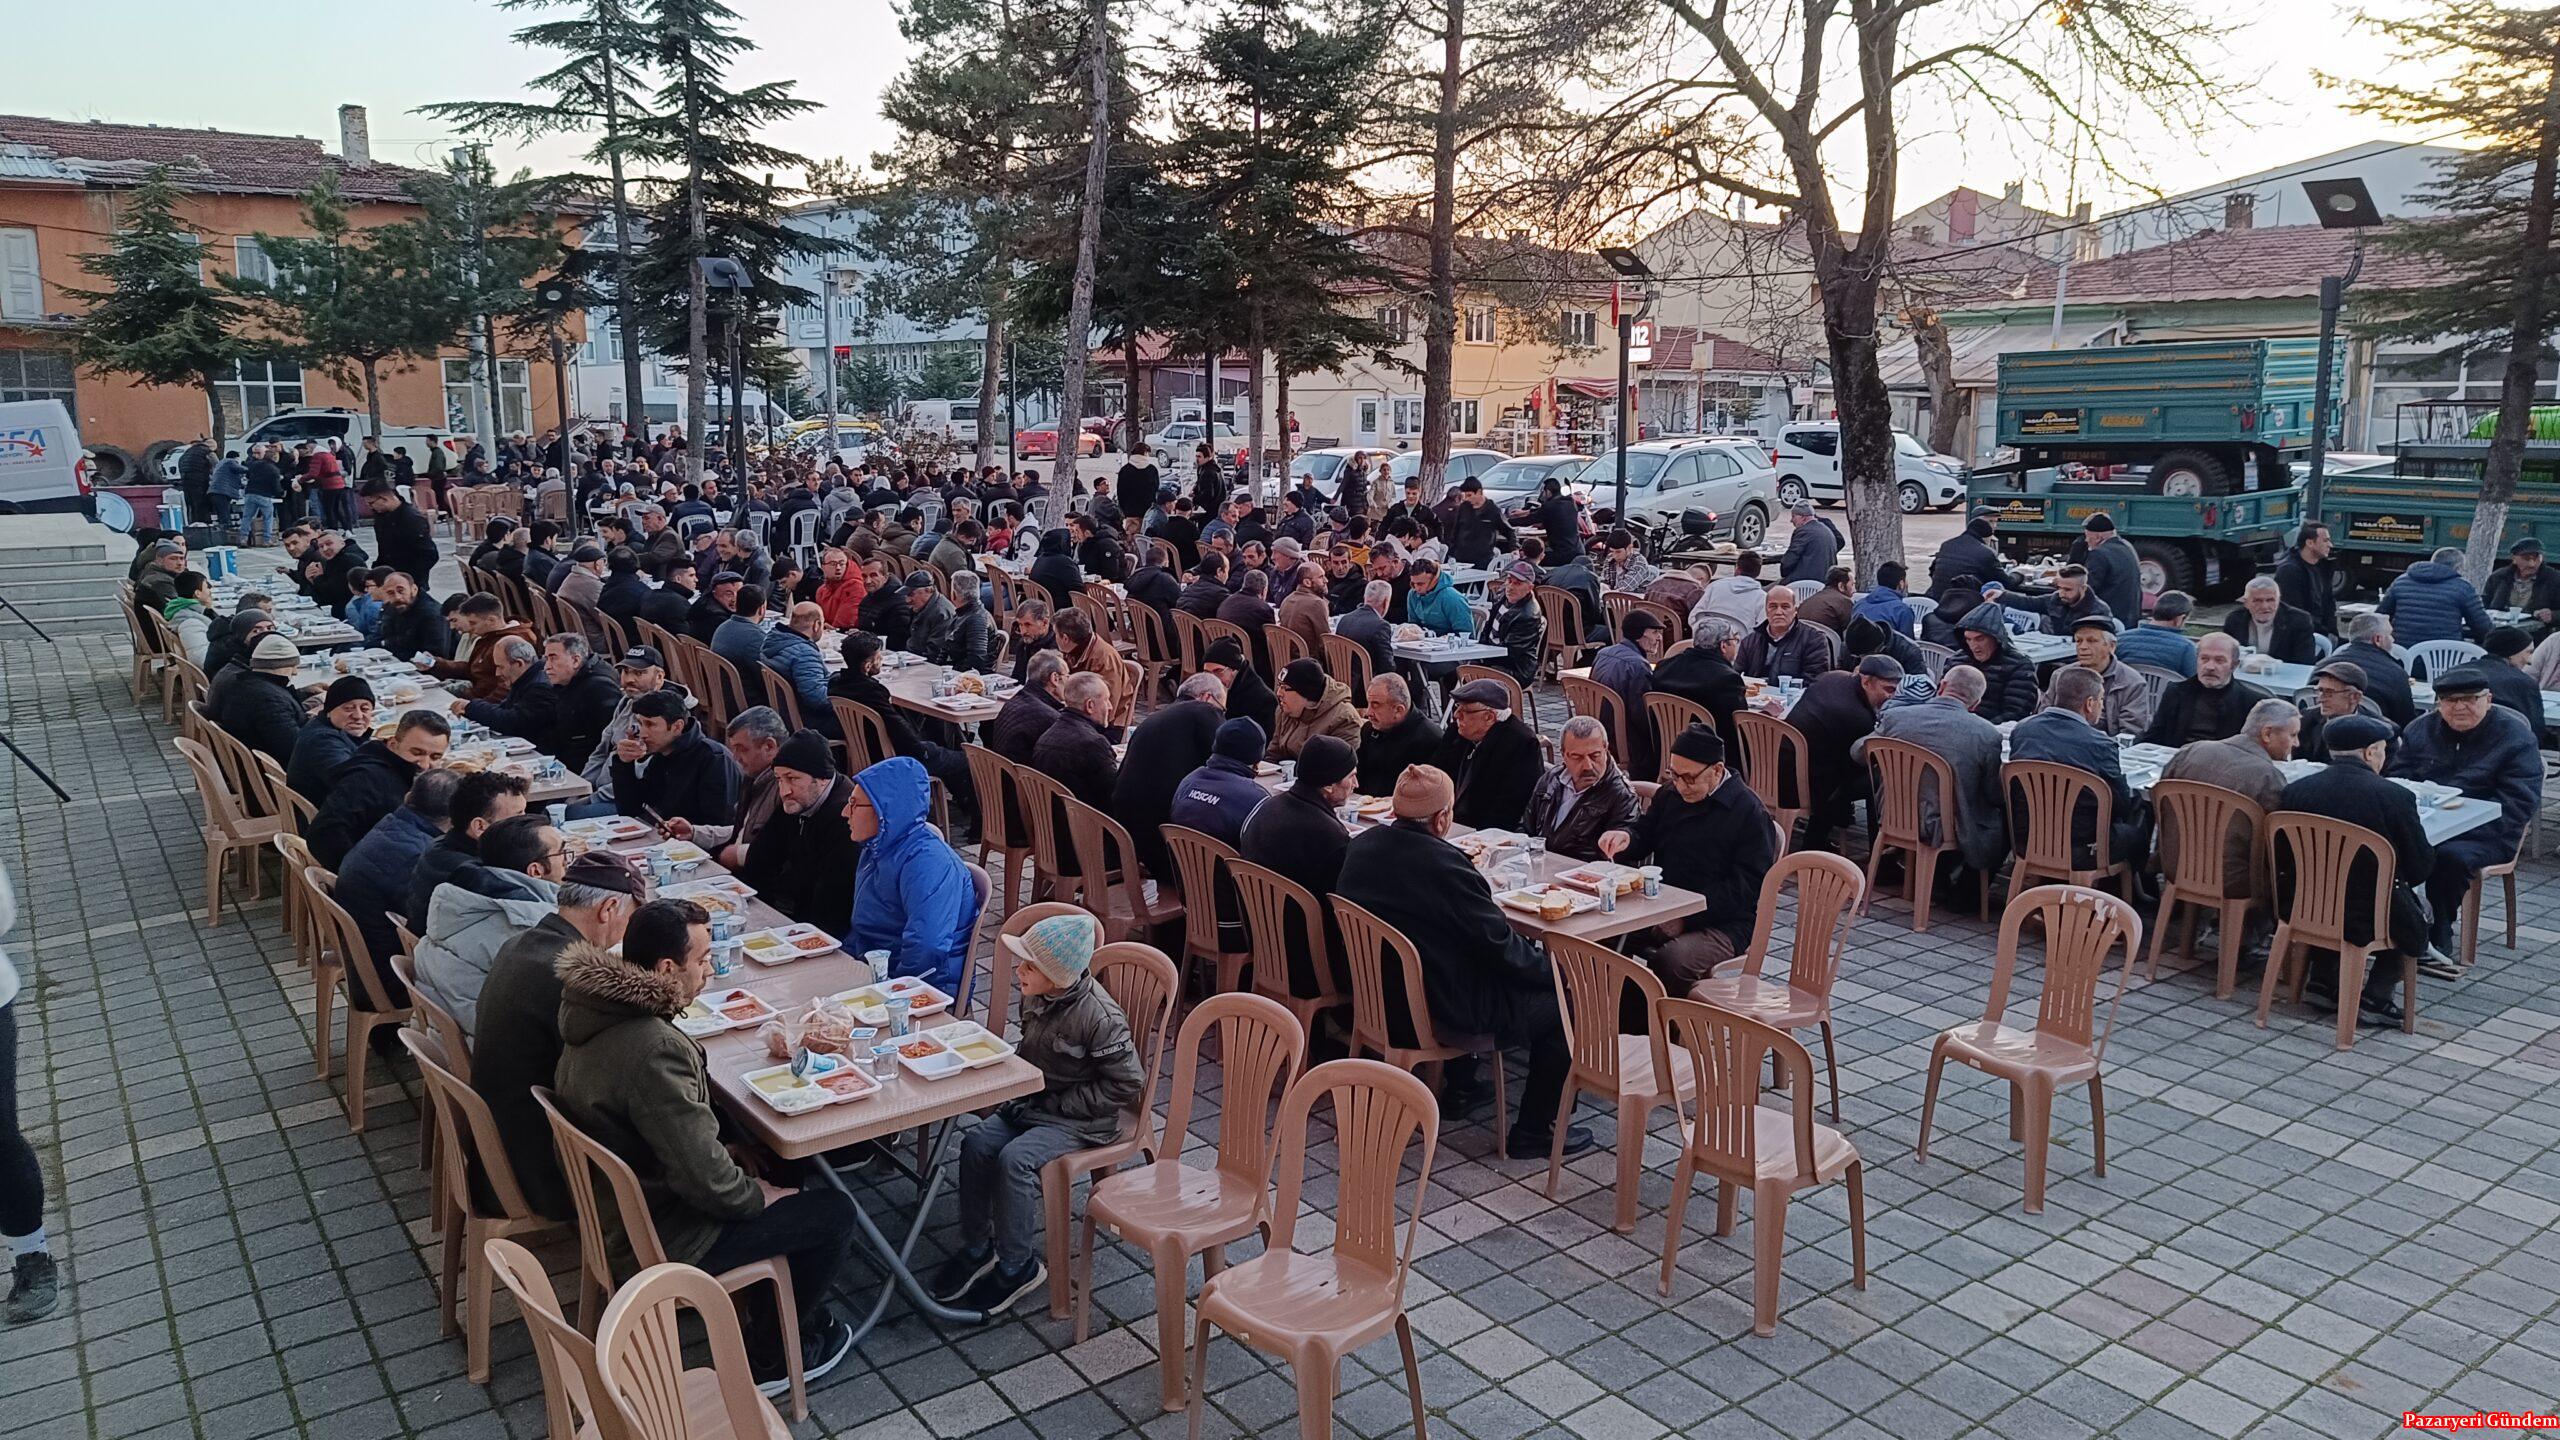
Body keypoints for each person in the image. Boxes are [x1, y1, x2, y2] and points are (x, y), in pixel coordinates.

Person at [554, 899, 858, 1385]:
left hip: (622, 1209)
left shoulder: (593, 1008)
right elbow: (709, 1182)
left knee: (773, 1159)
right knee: (834, 1213)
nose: (710, 970)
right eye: (703, 960)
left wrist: (727, 1154)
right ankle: (771, 1357)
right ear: (667, 968)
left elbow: (672, 1135)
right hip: (662, 1236)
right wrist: (759, 1198)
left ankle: (770, 1306)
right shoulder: (654, 1049)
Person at [1339, 767, 1591, 1160]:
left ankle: (1463, 1085)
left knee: (1482, 965)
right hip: (1441, 1004)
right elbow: (1500, 946)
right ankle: (1533, 1131)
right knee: (1562, 1004)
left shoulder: (1361, 847)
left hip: (1380, 992)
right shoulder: (1446, 865)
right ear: (1442, 818)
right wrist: (1557, 973)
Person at [930, 912, 1142, 1316]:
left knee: (1015, 1160)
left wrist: (1062, 1104)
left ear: (1057, 975)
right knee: (975, 1142)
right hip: (1034, 1103)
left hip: (1079, 1119)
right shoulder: (1037, 994)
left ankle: (1017, 1265)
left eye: (1029, 964)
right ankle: (977, 1246)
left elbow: (1127, 1083)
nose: (1019, 970)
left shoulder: (1099, 1018)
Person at [472, 850, 641, 1218]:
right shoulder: (571, 976)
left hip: (503, 1144)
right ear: (608, 909)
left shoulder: (522, 943)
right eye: (631, 919)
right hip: (542, 1169)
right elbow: (618, 1078)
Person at [2278, 714, 2430, 1021]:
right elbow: (2419, 867)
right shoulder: (2394, 797)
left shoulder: (2297, 790)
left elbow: (2282, 853)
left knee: (2335, 890)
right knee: (2417, 911)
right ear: (2371, 751)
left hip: (2299, 905)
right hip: (2365, 915)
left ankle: (2322, 981)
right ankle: (2375, 997)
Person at [2392, 667, 2543, 967]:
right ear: (2438, 703)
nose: (2459, 707)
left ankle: (2440, 931)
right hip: (2425, 822)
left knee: (2449, 857)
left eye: (2469, 699)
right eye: (2449, 700)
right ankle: (2398, 924)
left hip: (2489, 831)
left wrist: (2463, 823)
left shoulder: (2515, 738)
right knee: (2387, 848)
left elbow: (2518, 802)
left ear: (2488, 699)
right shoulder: (2420, 729)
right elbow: (2397, 775)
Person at [414, 813, 565, 1039]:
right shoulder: (530, 927)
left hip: (451, 1039)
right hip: (498, 1055)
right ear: (536, 871)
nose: (568, 862)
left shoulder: (462, 896)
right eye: (563, 854)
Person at [846, 756, 983, 994]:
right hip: (875, 970)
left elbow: (926, 949)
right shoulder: (875, 847)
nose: (845, 812)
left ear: (885, 812)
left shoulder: (929, 863)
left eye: (855, 804)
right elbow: (864, 927)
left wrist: (890, 991)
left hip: (923, 988)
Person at [330, 769, 462, 1007]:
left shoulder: (394, 825)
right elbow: (432, 927)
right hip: (392, 977)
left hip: (369, 961)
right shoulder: (416, 854)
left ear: (409, 797)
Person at [2159, 697, 2299, 920]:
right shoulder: (2268, 777)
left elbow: (2161, 803)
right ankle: (2249, 941)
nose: (2296, 743)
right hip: (2233, 879)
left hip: (2177, 864)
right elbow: (2277, 839)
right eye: (2292, 735)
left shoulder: (2191, 751)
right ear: (2267, 734)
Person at [2010, 664, 2151, 871]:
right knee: (2139, 818)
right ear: (2090, 704)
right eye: (2101, 700)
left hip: (2028, 836)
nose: (2101, 706)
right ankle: (2135, 895)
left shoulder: (2023, 730)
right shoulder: (2100, 744)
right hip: (2082, 847)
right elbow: (2119, 804)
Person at [756, 732, 860, 938]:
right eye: (779, 779)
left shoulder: (845, 817)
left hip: (827, 931)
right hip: (794, 914)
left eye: (792, 779)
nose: (784, 790)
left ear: (822, 779)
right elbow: (759, 860)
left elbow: (833, 901)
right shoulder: (797, 800)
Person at [404, 770, 535, 933]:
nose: (528, 824)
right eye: (517, 818)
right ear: (480, 826)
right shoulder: (472, 872)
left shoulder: (440, 845)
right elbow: (537, 908)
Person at [660, 706, 787, 868]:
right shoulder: (753, 779)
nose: (735, 757)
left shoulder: (784, 787)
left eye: (742, 749)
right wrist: (694, 833)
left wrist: (739, 855)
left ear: (769, 747)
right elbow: (742, 832)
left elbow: (778, 849)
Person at [1240, 734, 1358, 907]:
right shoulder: (1331, 836)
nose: (1356, 783)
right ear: (1328, 785)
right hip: (1302, 928)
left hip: (1255, 919)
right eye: (1351, 776)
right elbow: (1339, 902)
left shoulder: (1266, 806)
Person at [580, 646, 694, 806]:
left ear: (659, 677)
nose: (629, 679)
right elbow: (601, 752)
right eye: (626, 672)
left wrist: (589, 800)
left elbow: (642, 776)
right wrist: (583, 787)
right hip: (599, 792)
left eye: (639, 673)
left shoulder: (667, 717)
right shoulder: (626, 701)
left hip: (629, 802)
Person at [611, 689, 742, 827]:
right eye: (640, 723)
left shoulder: (714, 759)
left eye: (650, 724)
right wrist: (624, 764)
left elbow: (720, 827)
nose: (642, 733)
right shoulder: (662, 753)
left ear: (677, 726)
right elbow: (631, 810)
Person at [1522, 717, 1643, 862]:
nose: (1588, 766)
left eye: (1594, 756)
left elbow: (1623, 854)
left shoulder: (1621, 794)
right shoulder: (1550, 779)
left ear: (1606, 748)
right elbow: (1526, 828)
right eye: (1577, 757)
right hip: (1540, 868)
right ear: (1564, 755)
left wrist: (1622, 838)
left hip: (1585, 877)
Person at [1431, 678, 1541, 830]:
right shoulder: (1457, 732)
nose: (1456, 715)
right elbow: (1435, 775)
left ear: (1489, 717)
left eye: (1465, 711)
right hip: (1446, 822)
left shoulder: (1521, 743)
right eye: (1457, 707)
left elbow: (1510, 807)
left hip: (1483, 832)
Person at [2138, 633, 2264, 748]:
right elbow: (2154, 737)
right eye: (2204, 659)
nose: (2210, 667)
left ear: (2234, 665)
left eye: (2219, 660)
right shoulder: (2176, 692)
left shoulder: (2251, 702)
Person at [2041, 615, 2153, 737]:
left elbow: (2131, 732)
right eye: (2078, 641)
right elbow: (2044, 716)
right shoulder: (2061, 675)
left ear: (2111, 646)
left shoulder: (2132, 682)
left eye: (2092, 641)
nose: (2083, 647)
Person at [214, 634, 314, 769]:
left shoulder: (246, 685)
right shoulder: (268, 701)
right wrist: (321, 721)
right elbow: (294, 748)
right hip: (272, 774)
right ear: (280, 665)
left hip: (255, 763)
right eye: (293, 666)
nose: (295, 673)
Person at [1170, 717, 1271, 847]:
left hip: (1182, 864)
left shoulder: (1189, 780)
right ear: (1257, 761)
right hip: (1228, 866)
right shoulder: (1256, 799)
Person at [1034, 671, 1121, 817]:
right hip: (1085, 830)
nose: (1111, 707)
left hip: (1049, 826)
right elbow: (1114, 795)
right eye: (1106, 700)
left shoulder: (1047, 734)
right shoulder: (1093, 744)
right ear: (1090, 705)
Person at [286, 675, 377, 805]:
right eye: (348, 708)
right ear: (329, 711)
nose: (358, 716)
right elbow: (353, 783)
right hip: (331, 818)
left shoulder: (322, 725)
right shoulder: (323, 741)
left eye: (365, 709)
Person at [2379, 546, 2495, 645]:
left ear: (2432, 561)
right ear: (2459, 567)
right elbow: (2482, 627)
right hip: (2444, 653)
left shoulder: (2401, 581)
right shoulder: (2463, 587)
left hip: (2401, 651)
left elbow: (2380, 616)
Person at [542, 633, 624, 772]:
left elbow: (610, 741)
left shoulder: (600, 688)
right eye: (546, 659)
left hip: (587, 771)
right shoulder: (564, 682)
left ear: (575, 660)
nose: (546, 667)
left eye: (553, 658)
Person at [762, 602, 841, 739]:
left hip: (785, 713)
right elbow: (817, 699)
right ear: (816, 625)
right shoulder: (805, 654)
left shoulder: (773, 640)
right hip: (806, 721)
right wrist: (844, 694)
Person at [1590, 610, 1662, 762]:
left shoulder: (1604, 653)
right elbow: (1642, 717)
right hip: (1622, 738)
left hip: (1598, 727)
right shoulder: (1638, 665)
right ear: (1639, 635)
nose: (1659, 638)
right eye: (1655, 632)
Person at [1950, 602, 2038, 723]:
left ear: (1995, 638)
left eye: (1980, 639)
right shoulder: (1957, 660)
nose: (1974, 646)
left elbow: (2015, 713)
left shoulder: (2019, 666)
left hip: (1992, 729)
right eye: (1968, 639)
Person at [458, 637, 558, 743]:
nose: (497, 673)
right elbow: (504, 708)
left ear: (519, 664)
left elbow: (512, 722)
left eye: (500, 667)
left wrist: (471, 707)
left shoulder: (540, 686)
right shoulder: (526, 679)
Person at [420, 591, 520, 696]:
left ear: (491, 620)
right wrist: (435, 663)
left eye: (473, 623)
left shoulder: (511, 643)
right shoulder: (487, 637)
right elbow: (471, 669)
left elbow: (504, 691)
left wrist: (471, 706)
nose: (471, 627)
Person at [1355, 673, 1441, 797]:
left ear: (1398, 710)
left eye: (1375, 705)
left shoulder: (1429, 739)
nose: (1368, 713)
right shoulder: (1368, 730)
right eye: (1368, 704)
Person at [1052, 607, 1134, 734]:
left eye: (1055, 634)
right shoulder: (1072, 651)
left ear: (1065, 638)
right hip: (1080, 715)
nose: (1054, 638)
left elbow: (1107, 707)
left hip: (1108, 725)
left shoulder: (1104, 659)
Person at [2294, 657, 2391, 760]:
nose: (2320, 699)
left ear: (2354, 697)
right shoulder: (2304, 721)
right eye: (2320, 691)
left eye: (2329, 693)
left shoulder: (2381, 732)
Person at [1736, 584, 1838, 680]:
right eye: (1773, 606)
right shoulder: (1750, 642)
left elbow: (1815, 681)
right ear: (1766, 610)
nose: (1779, 612)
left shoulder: (1815, 640)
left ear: (1795, 611)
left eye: (1785, 607)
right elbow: (1736, 676)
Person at [1268, 658, 1361, 760]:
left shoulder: (1343, 719)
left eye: (1285, 688)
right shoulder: (1284, 710)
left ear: (1305, 692)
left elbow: (1337, 767)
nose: (1279, 693)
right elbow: (1273, 753)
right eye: (1279, 686)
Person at [989, 648, 1069, 766]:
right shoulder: (1050, 718)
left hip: (998, 774)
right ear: (1055, 679)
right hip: (1021, 781)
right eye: (1067, 675)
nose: (1069, 681)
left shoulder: (1016, 700)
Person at [2339, 612, 2418, 728]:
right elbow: (2406, 723)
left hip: (2324, 738)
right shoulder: (2395, 674)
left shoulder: (2322, 667)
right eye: (2390, 635)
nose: (2393, 640)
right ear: (2377, 639)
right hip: (2376, 739)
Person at [2477, 627, 2552, 745]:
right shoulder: (2523, 683)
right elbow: (2535, 730)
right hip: (2507, 753)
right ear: (2511, 653)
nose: (2530, 661)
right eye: (2529, 652)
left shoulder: (2455, 674)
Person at [2220, 576, 2319, 664]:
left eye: (2270, 600)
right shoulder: (2234, 620)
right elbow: (2225, 657)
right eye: (2257, 601)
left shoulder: (2299, 620)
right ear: (2246, 603)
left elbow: (2305, 663)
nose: (2264, 606)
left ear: (2279, 600)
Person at [1480, 562, 1548, 686]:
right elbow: (1486, 630)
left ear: (1530, 588)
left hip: (1516, 669)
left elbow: (1510, 652)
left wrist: (1481, 655)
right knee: (1456, 668)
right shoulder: (1502, 598)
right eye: (1509, 581)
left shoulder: (1528, 615)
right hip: (1492, 657)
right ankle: (1457, 704)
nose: (1510, 587)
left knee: (1474, 672)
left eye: (1517, 583)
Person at [360, 481, 440, 583]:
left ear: (384, 498)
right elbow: (384, 549)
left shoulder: (411, 519)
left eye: (371, 503)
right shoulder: (381, 516)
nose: (370, 508)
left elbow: (429, 555)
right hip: (388, 576)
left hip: (410, 580)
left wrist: (407, 578)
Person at [2274, 520, 2341, 637]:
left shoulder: (2324, 567)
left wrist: (2332, 632)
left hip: (2323, 632)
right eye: (2325, 541)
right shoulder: (2289, 571)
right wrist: (2323, 633)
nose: (2330, 545)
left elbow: (2329, 603)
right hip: (2300, 635)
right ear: (2310, 543)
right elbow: (2294, 611)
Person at [2073, 513, 2143, 622]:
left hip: (2107, 618)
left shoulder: (2099, 554)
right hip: (2130, 617)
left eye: (2087, 537)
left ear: (2098, 537)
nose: (2086, 541)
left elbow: (2087, 589)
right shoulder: (2128, 547)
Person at [1201, 637, 1277, 738]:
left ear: (1234, 670)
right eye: (1207, 673)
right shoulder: (1209, 689)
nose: (1212, 679)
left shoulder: (1262, 700)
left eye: (1218, 672)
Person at [2115, 591, 2200, 678]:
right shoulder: (2187, 648)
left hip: (2126, 690)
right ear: (2179, 619)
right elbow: (2195, 680)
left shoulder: (2119, 639)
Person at [1442, 478, 1514, 568]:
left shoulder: (1492, 510)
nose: (1467, 499)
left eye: (1469, 495)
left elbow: (1509, 531)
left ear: (1479, 492)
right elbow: (1455, 531)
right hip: (1461, 557)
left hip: (1482, 559)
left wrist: (1514, 548)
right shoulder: (1463, 508)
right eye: (1465, 496)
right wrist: (1451, 551)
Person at [1691, 550, 1768, 633]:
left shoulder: (1715, 586)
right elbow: (1763, 628)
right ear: (1758, 573)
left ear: (1737, 568)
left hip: (1706, 640)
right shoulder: (1762, 597)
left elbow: (1694, 616)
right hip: (1741, 643)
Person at [2027, 563, 2114, 636]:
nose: (2061, 593)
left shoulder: (2099, 610)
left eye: (2067, 589)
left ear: (2083, 588)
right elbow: (2026, 601)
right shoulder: (2055, 600)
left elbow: (2098, 643)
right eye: (2059, 588)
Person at [1336, 579, 1400, 677]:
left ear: (1365, 597)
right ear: (1386, 601)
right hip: (1367, 682)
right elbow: (1387, 667)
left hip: (1342, 678)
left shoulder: (1344, 619)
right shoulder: (1380, 625)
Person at [711, 582, 773, 681]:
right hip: (742, 694)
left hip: (721, 688)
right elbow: (765, 677)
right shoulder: (755, 637)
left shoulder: (722, 627)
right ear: (761, 609)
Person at [1403, 557, 1476, 637]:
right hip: (1424, 642)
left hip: (1450, 644)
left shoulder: (1452, 598)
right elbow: (1413, 626)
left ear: (1434, 580)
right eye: (1413, 584)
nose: (1416, 588)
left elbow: (1466, 634)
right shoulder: (1412, 594)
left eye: (1421, 584)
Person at [1778, 499, 1842, 584]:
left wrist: (1784, 571)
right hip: (1825, 581)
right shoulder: (1826, 529)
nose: (1791, 520)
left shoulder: (1804, 531)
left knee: (1767, 592)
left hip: (1804, 581)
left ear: (1803, 517)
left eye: (1793, 516)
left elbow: (1789, 560)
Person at [901, 571, 959, 663]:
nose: (907, 600)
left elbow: (934, 654)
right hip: (913, 660)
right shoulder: (919, 607)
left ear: (928, 591)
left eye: (911, 594)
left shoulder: (942, 614)